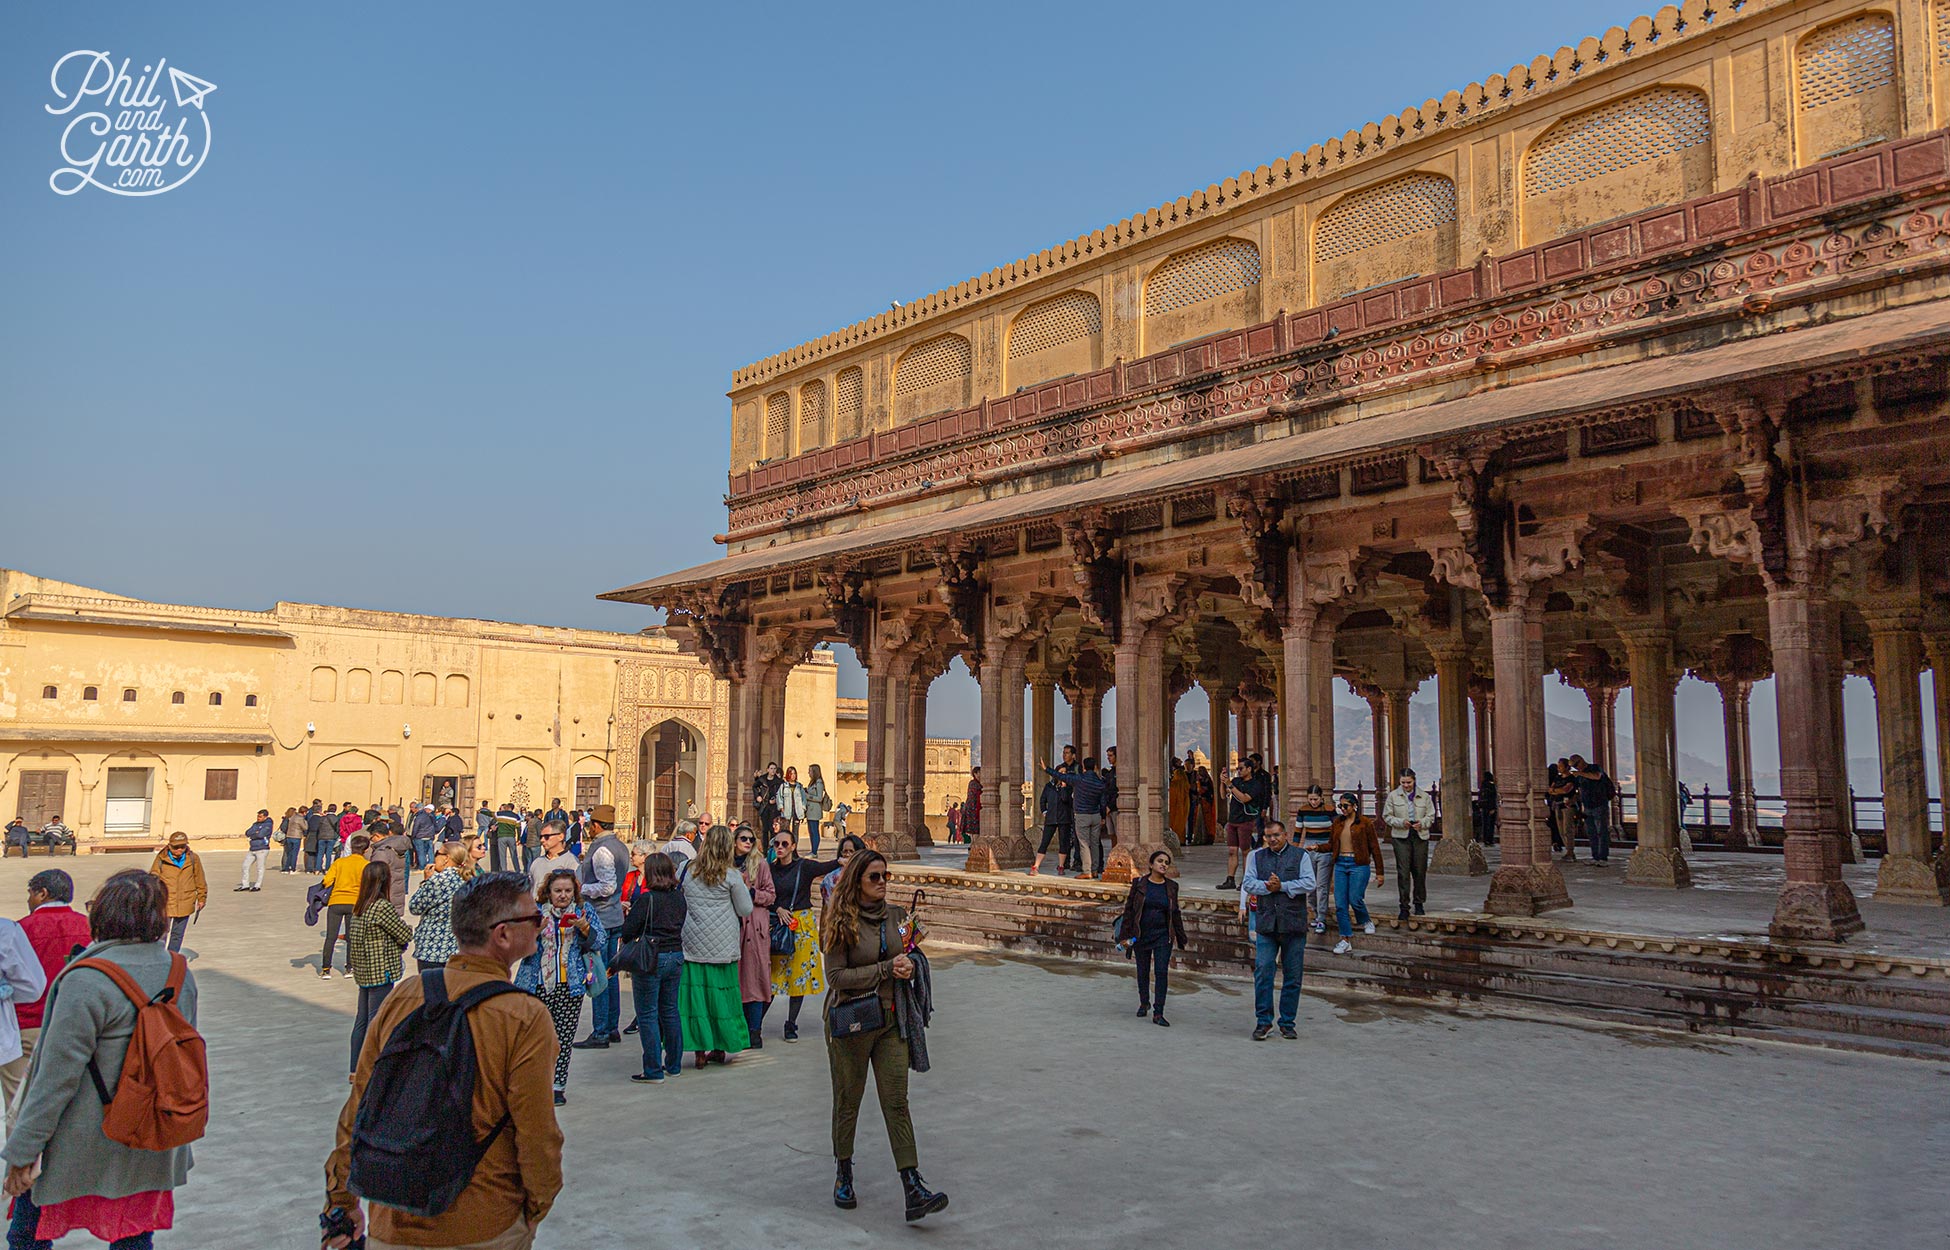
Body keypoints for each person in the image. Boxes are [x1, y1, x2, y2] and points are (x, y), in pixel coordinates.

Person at [323, 871, 564, 1250]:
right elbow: (537, 1133)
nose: (541, 925)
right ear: (502, 934)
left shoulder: (405, 996)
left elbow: (360, 1106)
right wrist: (534, 1208)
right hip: (484, 1221)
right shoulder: (523, 1016)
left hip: (394, 1215)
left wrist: (341, 1200)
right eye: (534, 919)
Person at [2, 871, 195, 1250]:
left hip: (84, 1138)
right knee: (134, 1237)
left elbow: (55, 1078)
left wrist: (23, 1151)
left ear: (102, 915)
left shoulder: (86, 979)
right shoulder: (179, 972)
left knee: (26, 1236)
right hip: (150, 1132)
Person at [823, 850, 947, 1222]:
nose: (883, 883)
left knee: (897, 1102)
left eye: (885, 876)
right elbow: (836, 978)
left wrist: (911, 965)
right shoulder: (839, 920)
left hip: (892, 1021)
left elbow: (911, 954)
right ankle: (844, 1172)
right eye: (874, 877)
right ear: (857, 881)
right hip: (852, 1023)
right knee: (849, 1100)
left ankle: (912, 1184)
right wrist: (885, 969)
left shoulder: (896, 917)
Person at [0, 871, 93, 1125]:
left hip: (24, 1026)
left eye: (30, 893)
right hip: (73, 1024)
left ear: (42, 893)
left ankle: (22, 1163)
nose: (28, 900)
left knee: (19, 1105)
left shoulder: (19, 929)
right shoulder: (88, 927)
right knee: (69, 1102)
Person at [515, 871, 603, 1106]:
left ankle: (557, 1086)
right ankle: (535, 1083)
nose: (563, 896)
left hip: (570, 986)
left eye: (567, 891)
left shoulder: (584, 911)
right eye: (558, 891)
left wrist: (585, 929)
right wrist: (534, 932)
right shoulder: (535, 912)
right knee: (534, 1039)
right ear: (548, 892)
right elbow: (517, 948)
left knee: (563, 1038)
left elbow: (600, 942)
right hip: (537, 985)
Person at [679, 824, 753, 1069]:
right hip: (722, 943)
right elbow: (745, 909)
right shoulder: (731, 875)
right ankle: (720, 1047)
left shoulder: (686, 870)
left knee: (696, 997)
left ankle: (698, 1050)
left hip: (692, 940)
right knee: (722, 996)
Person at [1241, 819, 1315, 1041]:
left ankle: (1287, 1022)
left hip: (1293, 923)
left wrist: (1282, 886)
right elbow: (1248, 883)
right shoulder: (1256, 857)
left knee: (1293, 975)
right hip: (1266, 923)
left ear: (1285, 835)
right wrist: (1267, 886)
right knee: (1263, 971)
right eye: (1268, 836)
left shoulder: (1300, 856)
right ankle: (1264, 1021)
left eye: (1276, 835)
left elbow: (1309, 883)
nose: (1272, 839)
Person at [620, 850, 687, 1083]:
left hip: (652, 956)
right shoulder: (679, 897)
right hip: (676, 954)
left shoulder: (647, 899)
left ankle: (652, 1069)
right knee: (670, 1010)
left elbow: (628, 931)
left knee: (647, 1013)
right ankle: (674, 1063)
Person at [765, 829, 838, 1043]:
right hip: (779, 923)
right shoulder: (768, 869)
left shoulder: (803, 867)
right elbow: (761, 893)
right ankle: (754, 1024)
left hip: (801, 925)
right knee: (773, 975)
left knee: (798, 975)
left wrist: (846, 858)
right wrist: (777, 908)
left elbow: (827, 866)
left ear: (794, 846)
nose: (780, 848)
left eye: (784, 844)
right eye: (776, 844)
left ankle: (791, 1023)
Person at [570, 805, 629, 1051]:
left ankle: (601, 1030)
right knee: (609, 974)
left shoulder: (603, 850)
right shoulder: (619, 846)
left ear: (596, 825)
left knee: (598, 975)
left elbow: (607, 886)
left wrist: (579, 889)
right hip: (614, 916)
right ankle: (611, 1026)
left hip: (602, 918)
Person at [346, 861, 412, 1073]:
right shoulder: (382, 906)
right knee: (379, 1020)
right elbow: (403, 933)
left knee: (362, 1020)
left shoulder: (360, 905)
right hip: (380, 969)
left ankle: (355, 1068)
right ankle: (372, 1068)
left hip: (364, 969)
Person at [1117, 850, 1187, 1027]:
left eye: (1166, 862)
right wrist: (1124, 936)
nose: (1163, 864)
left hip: (1163, 935)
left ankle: (1159, 1012)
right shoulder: (1140, 884)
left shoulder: (1171, 887)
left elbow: (1175, 913)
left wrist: (1181, 936)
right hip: (1141, 935)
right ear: (1151, 865)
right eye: (1160, 861)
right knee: (1143, 970)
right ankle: (1144, 1002)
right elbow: (1130, 911)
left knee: (1161, 972)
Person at [0, 914, 46, 1137]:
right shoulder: (5, 931)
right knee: (17, 1105)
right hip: (5, 1038)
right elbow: (32, 987)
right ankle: (18, 1166)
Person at [732, 827, 777, 1048]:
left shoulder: (760, 864)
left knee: (756, 980)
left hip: (755, 928)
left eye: (751, 839)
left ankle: (754, 1031)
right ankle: (738, 1028)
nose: (748, 842)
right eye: (743, 838)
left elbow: (771, 895)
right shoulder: (726, 864)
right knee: (737, 979)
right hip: (733, 927)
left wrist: (751, 893)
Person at [408, 840, 477, 974]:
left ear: (446, 858)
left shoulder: (439, 880)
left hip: (433, 949)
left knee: (432, 992)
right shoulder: (469, 880)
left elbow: (415, 907)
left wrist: (426, 881)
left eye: (437, 854)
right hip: (459, 948)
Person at [1328, 792, 1384, 954]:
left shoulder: (1365, 823)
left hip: (1358, 864)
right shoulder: (1338, 822)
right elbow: (1332, 844)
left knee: (1355, 898)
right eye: (1340, 806)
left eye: (1345, 806)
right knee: (1340, 904)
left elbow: (1374, 847)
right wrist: (1316, 847)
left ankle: (1365, 920)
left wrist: (1380, 872)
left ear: (1354, 806)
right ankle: (1345, 938)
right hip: (1340, 864)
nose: (1343, 809)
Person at [1381, 769, 1435, 918]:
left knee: (1419, 871)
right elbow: (1387, 816)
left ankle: (1419, 903)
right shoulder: (1393, 796)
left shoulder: (1424, 796)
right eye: (1403, 783)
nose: (1406, 785)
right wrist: (1400, 822)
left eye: (1408, 782)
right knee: (1403, 872)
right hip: (1401, 835)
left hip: (1419, 835)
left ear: (1414, 781)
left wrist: (1422, 823)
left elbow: (1431, 816)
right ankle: (1404, 905)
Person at [318, 835, 371, 979]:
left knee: (331, 936)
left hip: (336, 902)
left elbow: (327, 881)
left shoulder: (339, 862)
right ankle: (349, 968)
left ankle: (325, 969)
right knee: (351, 937)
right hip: (354, 903)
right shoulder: (366, 865)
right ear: (365, 850)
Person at [146, 833, 206, 954]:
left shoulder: (193, 859)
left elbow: (199, 879)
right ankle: (159, 956)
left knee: (177, 934)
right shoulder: (161, 859)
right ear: (169, 846)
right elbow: (153, 879)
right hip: (166, 901)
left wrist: (202, 897)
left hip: (186, 900)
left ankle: (172, 957)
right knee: (161, 933)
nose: (179, 850)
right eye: (176, 847)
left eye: (182, 847)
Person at [1220, 755, 1270, 891]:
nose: (1239, 771)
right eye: (1238, 768)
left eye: (1241, 768)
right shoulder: (1236, 781)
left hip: (1245, 820)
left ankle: (1246, 878)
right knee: (1232, 850)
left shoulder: (1255, 784)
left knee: (1246, 851)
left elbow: (1244, 798)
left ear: (1249, 769)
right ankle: (1230, 878)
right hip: (1233, 819)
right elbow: (1223, 796)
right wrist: (1223, 782)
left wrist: (1230, 785)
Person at [1294, 785, 1337, 934]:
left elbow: (1336, 830)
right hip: (1308, 849)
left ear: (1321, 798)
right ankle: (1315, 910)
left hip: (1325, 850)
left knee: (1321, 885)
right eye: (1311, 799)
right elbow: (1298, 831)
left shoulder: (1330, 810)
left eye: (1316, 799)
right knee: (1310, 885)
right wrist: (1294, 850)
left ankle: (1322, 918)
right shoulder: (1303, 811)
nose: (1313, 802)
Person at [1031, 758, 1075, 877]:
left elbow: (1066, 799)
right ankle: (1036, 866)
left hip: (1063, 818)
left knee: (1063, 842)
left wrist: (1064, 787)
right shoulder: (1049, 786)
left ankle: (1061, 866)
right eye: (1061, 772)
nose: (1063, 775)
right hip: (1051, 818)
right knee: (1045, 842)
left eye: (1065, 773)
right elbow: (1042, 800)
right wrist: (1045, 811)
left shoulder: (1068, 786)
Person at [1570, 754, 1616, 864]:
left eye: (1576, 765)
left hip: (1600, 804)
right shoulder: (1580, 777)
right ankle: (1595, 856)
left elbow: (1597, 776)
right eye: (1574, 767)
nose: (1577, 768)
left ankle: (1603, 857)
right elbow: (1578, 790)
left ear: (1581, 760)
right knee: (1591, 833)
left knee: (1602, 831)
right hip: (1587, 806)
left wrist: (1581, 773)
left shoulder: (1594, 768)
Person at [367, 820, 413, 912]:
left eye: (371, 838)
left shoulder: (382, 852)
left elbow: (376, 877)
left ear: (377, 835)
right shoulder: (398, 847)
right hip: (396, 894)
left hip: (384, 897)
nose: (371, 841)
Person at [525, 819, 578, 893]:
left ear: (560, 837)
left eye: (546, 837)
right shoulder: (537, 862)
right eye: (541, 837)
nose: (542, 840)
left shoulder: (571, 862)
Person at [820, 836, 865, 916]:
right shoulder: (830, 878)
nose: (848, 854)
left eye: (851, 851)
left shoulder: (867, 874)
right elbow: (826, 908)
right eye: (845, 851)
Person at [802, 765, 830, 855]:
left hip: (815, 810)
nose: (808, 773)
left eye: (810, 771)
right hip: (810, 810)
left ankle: (814, 851)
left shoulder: (819, 782)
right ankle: (813, 850)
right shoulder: (812, 782)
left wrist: (807, 796)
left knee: (814, 831)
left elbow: (819, 798)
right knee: (811, 831)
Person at [751, 763, 783, 838]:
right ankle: (765, 848)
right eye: (771, 768)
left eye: (774, 768)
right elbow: (755, 787)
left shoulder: (779, 781)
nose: (773, 770)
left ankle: (772, 847)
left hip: (774, 807)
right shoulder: (762, 779)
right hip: (764, 806)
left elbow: (781, 792)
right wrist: (757, 796)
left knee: (773, 829)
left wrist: (776, 799)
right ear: (767, 769)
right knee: (765, 829)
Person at [409, 802, 439, 871]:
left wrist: (413, 836)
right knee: (430, 851)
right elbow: (435, 826)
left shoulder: (419, 816)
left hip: (420, 836)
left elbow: (416, 827)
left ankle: (422, 867)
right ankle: (431, 865)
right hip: (429, 836)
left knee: (421, 852)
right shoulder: (431, 816)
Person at [280, 807, 307, 875]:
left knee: (289, 853)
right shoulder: (300, 819)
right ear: (304, 812)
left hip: (289, 836)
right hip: (296, 837)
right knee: (295, 854)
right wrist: (305, 822)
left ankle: (286, 868)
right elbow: (305, 827)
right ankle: (292, 868)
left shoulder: (292, 817)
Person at [960, 767, 981, 841]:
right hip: (973, 811)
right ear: (975, 774)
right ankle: (974, 847)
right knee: (975, 832)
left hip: (974, 810)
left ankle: (973, 847)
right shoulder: (974, 784)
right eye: (979, 773)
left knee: (975, 832)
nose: (981, 775)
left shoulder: (975, 783)